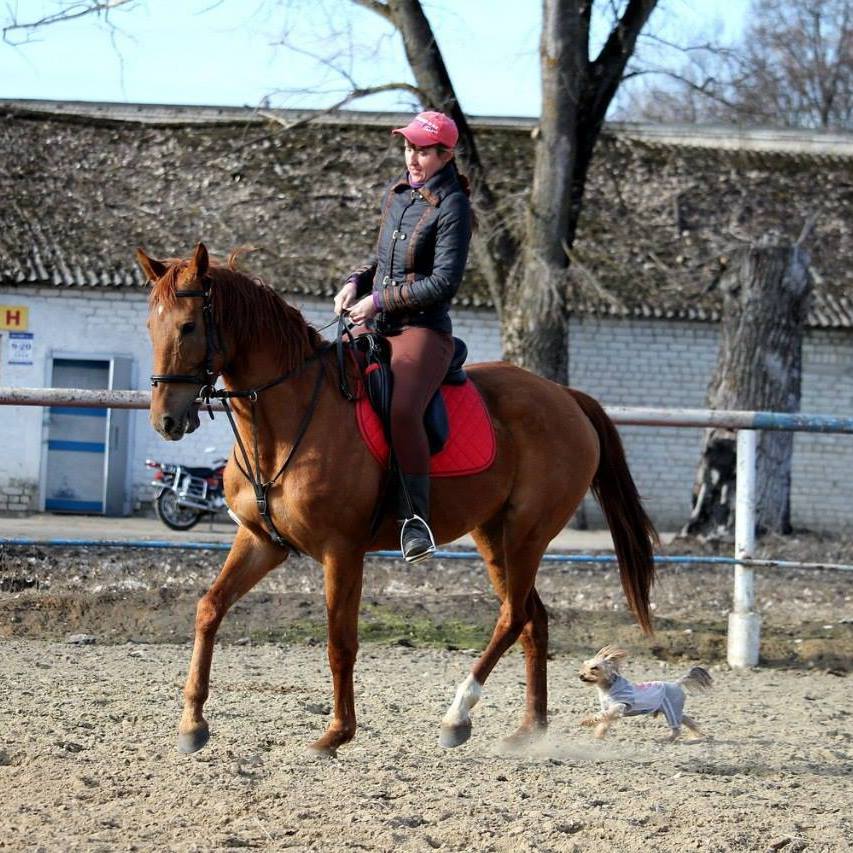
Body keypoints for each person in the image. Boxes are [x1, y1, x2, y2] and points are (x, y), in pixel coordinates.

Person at [334, 110, 474, 563]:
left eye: (423, 151)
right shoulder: (397, 195)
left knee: (402, 408)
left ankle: (415, 520)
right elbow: (383, 262)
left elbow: (442, 283)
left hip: (424, 329)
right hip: (380, 321)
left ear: (445, 154)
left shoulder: (454, 206)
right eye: (409, 148)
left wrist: (378, 302)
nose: (413, 158)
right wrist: (356, 281)